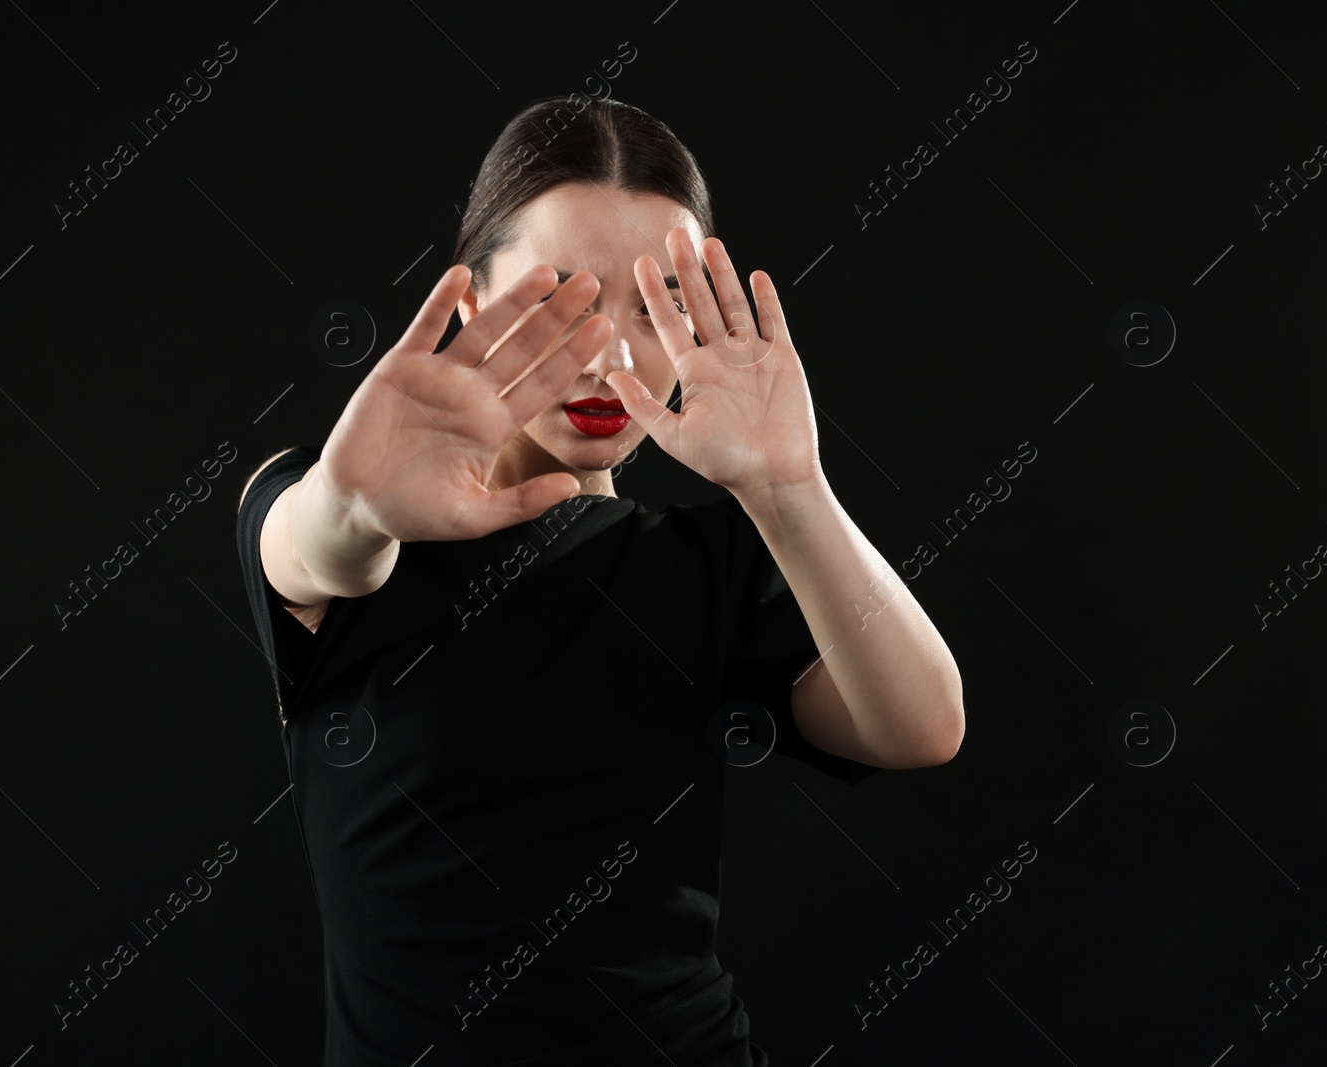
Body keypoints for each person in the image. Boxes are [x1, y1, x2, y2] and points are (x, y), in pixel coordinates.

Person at [235, 94, 965, 1066]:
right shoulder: (339, 525)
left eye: (656, 306)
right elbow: (312, 545)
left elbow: (918, 724)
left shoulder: (713, 561)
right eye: (562, 303)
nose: (613, 354)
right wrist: (351, 501)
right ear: (466, 304)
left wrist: (790, 487)